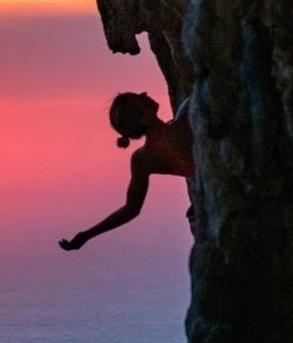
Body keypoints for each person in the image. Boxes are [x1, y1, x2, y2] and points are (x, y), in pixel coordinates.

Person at [59, 92, 194, 251]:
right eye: (139, 99)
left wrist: (87, 235)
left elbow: (131, 209)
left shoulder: (142, 159)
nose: (144, 94)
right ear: (138, 117)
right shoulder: (185, 115)